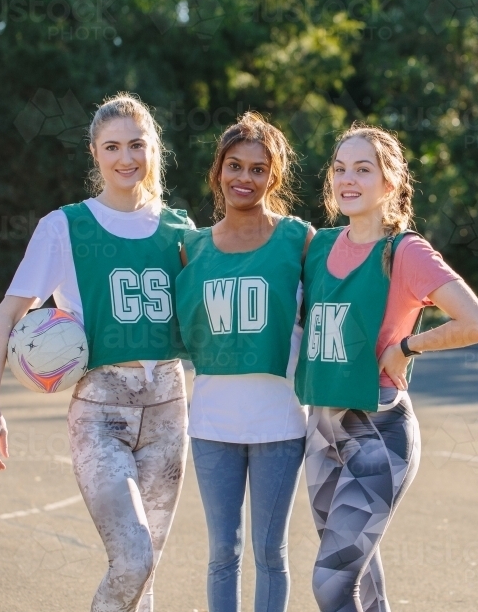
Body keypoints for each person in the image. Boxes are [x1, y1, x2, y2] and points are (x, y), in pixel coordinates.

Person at [0, 93, 194, 612]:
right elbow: (6, 317)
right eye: (112, 146)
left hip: (168, 408)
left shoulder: (181, 230)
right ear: (94, 153)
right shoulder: (65, 226)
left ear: (153, 150)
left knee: (146, 574)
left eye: (137, 145)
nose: (126, 158)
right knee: (133, 561)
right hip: (101, 413)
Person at [295, 123, 478, 611]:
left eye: (363, 169)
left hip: (378, 433)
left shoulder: (403, 251)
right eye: (340, 168)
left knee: (332, 581)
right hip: (322, 430)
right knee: (362, 581)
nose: (348, 179)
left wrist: (408, 345)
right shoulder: (317, 246)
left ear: (390, 182)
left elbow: (477, 322)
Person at [175, 112, 312, 612]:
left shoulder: (300, 239)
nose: (244, 178)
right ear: (217, 172)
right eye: (235, 165)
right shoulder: (191, 249)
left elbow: (339, 299)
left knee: (270, 553)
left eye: (258, 169)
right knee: (221, 553)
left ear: (273, 178)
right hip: (212, 422)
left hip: (279, 421)